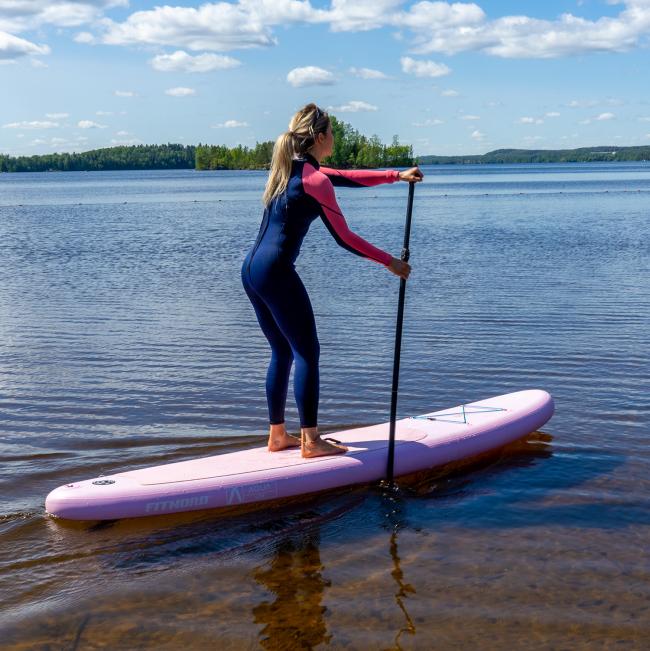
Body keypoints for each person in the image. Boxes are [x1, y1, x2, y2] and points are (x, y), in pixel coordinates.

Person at [241, 103, 423, 458]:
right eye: (333, 133)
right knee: (307, 352)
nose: (335, 139)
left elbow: (345, 177)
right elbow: (344, 237)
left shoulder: (289, 170)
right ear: (321, 137)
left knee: (282, 350)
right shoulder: (314, 179)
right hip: (276, 271)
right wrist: (390, 262)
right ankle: (311, 441)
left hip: (251, 270)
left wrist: (396, 175)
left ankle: (277, 436)